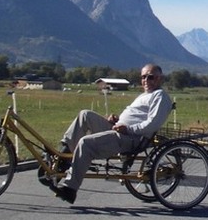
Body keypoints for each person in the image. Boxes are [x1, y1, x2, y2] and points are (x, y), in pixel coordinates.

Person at [52, 63, 173, 204]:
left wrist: (127, 129)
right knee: (85, 115)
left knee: (85, 143)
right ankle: (63, 156)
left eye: (150, 77)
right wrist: (117, 120)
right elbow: (136, 116)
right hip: (119, 130)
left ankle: (70, 189)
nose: (146, 80)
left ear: (159, 79)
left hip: (130, 138)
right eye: (143, 77)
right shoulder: (146, 95)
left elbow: (152, 124)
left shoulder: (160, 96)